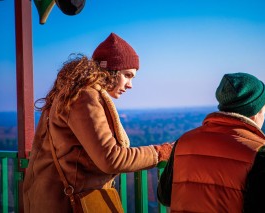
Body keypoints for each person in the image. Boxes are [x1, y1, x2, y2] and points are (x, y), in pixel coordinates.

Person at [23, 32, 173, 213]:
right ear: (112, 71)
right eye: (127, 75)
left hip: (52, 200)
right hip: (68, 204)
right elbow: (112, 159)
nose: (130, 84)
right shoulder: (85, 96)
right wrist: (161, 152)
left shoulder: (74, 92)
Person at [157, 72, 265, 213]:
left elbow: (165, 196)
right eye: (264, 112)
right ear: (255, 111)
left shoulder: (184, 141)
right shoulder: (261, 151)